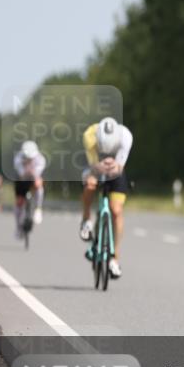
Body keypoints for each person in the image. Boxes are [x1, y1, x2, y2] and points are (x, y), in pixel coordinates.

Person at [79, 117, 133, 278]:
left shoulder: (126, 137)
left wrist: (113, 165)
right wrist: (100, 166)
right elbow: (94, 166)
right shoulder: (89, 136)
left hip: (116, 168)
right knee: (90, 184)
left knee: (116, 211)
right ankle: (86, 220)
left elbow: (119, 168)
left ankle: (114, 259)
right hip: (96, 165)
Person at [12, 140, 46, 237]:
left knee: (39, 183)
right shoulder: (18, 159)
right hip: (22, 179)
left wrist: (32, 172)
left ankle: (38, 208)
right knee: (19, 202)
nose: (29, 159)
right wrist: (27, 170)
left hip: (33, 178)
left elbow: (36, 175)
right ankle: (18, 227)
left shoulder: (40, 159)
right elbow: (22, 174)